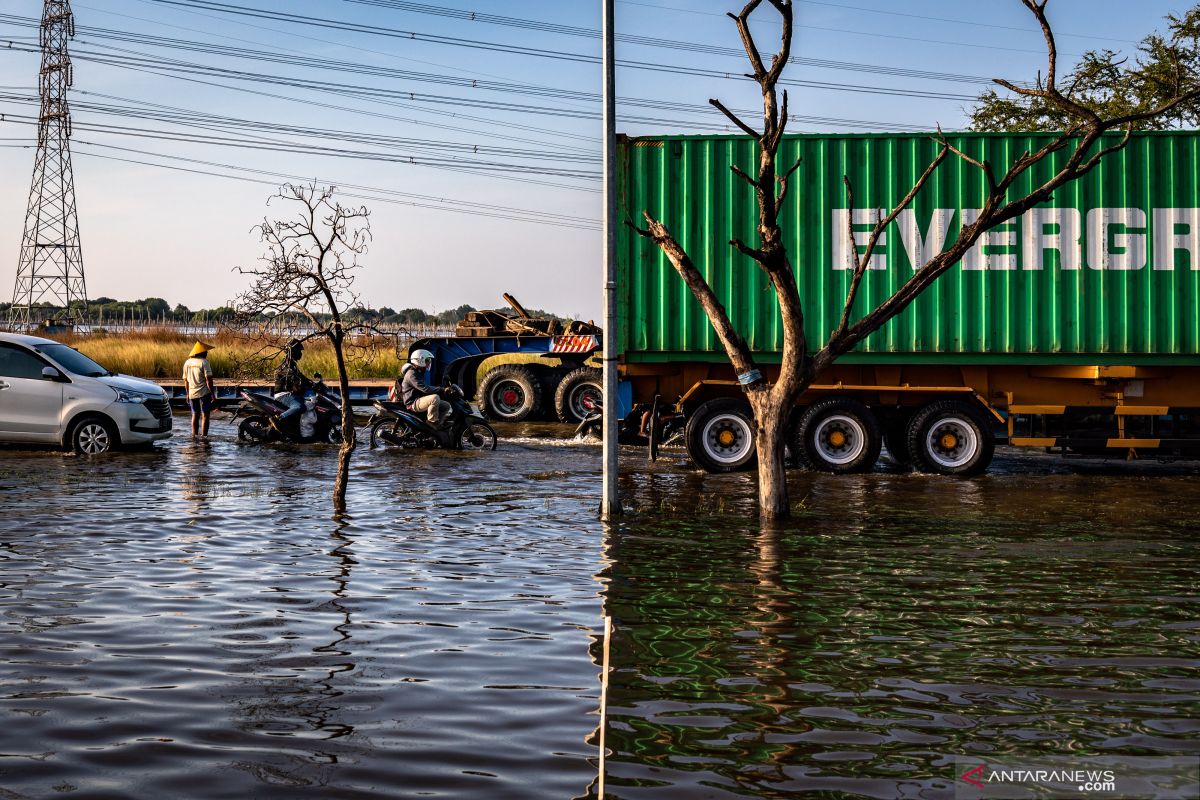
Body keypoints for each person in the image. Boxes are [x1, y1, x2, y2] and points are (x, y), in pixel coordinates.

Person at [399, 349, 451, 428]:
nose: (429, 363)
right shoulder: (412, 374)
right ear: (420, 360)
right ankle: (432, 422)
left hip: (419, 399)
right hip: (413, 403)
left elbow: (425, 388)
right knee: (434, 398)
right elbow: (425, 389)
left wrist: (442, 388)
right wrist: (441, 389)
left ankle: (438, 426)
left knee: (446, 405)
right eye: (427, 360)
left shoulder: (418, 371)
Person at [272, 339, 313, 435]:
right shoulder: (285, 364)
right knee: (300, 407)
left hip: (290, 393)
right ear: (293, 351)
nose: (300, 353)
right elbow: (292, 375)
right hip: (284, 394)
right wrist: (299, 381)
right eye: (299, 351)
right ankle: (278, 419)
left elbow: (301, 376)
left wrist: (312, 383)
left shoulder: (292, 364)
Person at [182, 341, 216, 438]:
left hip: (192, 394)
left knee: (195, 415)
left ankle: (194, 436)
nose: (207, 353)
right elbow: (208, 380)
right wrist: (213, 395)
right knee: (205, 416)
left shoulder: (187, 362)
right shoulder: (204, 363)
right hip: (203, 394)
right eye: (206, 351)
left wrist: (187, 394)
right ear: (201, 352)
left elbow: (186, 381)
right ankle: (204, 437)